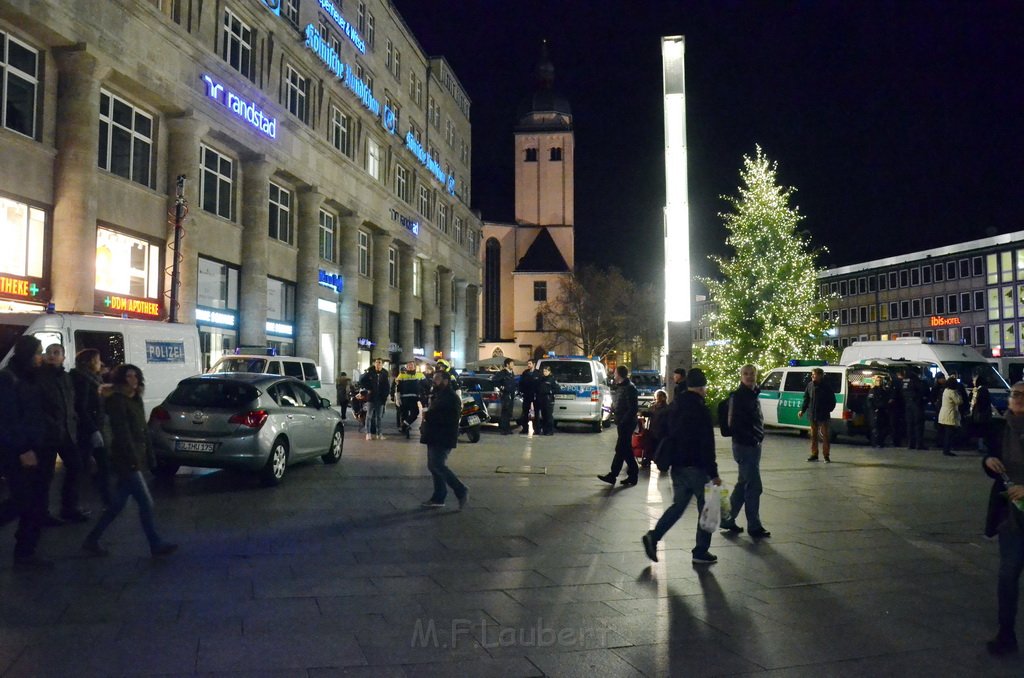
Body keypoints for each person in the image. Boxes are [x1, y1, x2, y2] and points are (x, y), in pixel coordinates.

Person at [82, 364, 176, 558]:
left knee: (117, 504)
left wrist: (149, 456)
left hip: (136, 456)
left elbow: (143, 431)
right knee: (146, 502)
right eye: (128, 376)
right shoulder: (117, 401)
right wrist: (133, 460)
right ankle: (155, 543)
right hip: (125, 459)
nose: (132, 380)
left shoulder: (135, 400)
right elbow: (122, 433)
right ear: (121, 379)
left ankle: (91, 540)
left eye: (135, 376)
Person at [641, 367, 722, 564]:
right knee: (707, 508)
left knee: (678, 506)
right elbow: (706, 443)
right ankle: (701, 550)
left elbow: (662, 429)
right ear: (702, 387)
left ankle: (654, 535)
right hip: (697, 466)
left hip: (677, 466)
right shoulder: (701, 410)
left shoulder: (675, 406)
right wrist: (714, 472)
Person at [0, 335, 54, 570]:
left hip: (38, 446)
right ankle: (25, 551)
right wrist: (23, 448)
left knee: (35, 501)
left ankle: (26, 551)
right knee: (23, 500)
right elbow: (8, 418)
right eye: (38, 352)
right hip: (18, 450)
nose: (40, 356)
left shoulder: (32, 377)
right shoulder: (8, 378)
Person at [981, 381, 1024, 655]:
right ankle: (1005, 634)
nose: (1017, 398)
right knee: (1007, 576)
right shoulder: (1002, 427)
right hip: (1011, 517)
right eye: (1015, 394)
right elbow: (991, 457)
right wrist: (988, 462)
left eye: (1022, 395)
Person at [720, 364, 770, 538]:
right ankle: (754, 526)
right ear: (741, 376)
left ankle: (727, 519)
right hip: (744, 446)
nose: (749, 376)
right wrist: (751, 438)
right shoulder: (739, 396)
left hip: (753, 445)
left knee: (743, 484)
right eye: (746, 374)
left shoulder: (753, 393)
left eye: (752, 374)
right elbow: (734, 423)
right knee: (754, 486)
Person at [38, 343, 86, 523]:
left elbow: (70, 403)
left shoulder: (65, 378)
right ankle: (42, 513)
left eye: (56, 352)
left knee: (76, 467)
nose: (52, 355)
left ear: (63, 357)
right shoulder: (40, 377)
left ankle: (69, 508)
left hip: (66, 432)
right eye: (49, 352)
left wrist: (73, 421)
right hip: (49, 435)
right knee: (45, 475)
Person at [419, 369, 468, 510]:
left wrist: (429, 416)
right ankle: (439, 497)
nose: (434, 381)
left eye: (437, 379)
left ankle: (460, 490)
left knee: (438, 465)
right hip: (434, 435)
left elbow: (452, 418)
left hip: (443, 436)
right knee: (433, 466)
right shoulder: (438, 395)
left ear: (446, 381)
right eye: (434, 379)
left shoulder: (451, 397)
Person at [70, 349, 112, 508]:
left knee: (100, 466)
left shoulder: (93, 378)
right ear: (89, 362)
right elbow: (81, 407)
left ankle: (107, 499)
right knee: (81, 468)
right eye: (97, 360)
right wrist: (93, 430)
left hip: (94, 427)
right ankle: (71, 505)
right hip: (87, 429)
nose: (100, 363)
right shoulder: (83, 380)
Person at [599, 365, 640, 486]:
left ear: (620, 375)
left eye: (615, 373)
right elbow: (620, 403)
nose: (614, 375)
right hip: (622, 422)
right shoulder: (621, 387)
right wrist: (612, 409)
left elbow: (633, 408)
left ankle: (614, 475)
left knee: (620, 448)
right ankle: (632, 474)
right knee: (625, 449)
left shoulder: (629, 388)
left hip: (626, 423)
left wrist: (623, 420)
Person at [798, 368, 836, 463]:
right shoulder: (810, 385)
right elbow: (806, 398)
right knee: (813, 435)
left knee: (825, 436)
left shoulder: (826, 386)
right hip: (812, 414)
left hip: (823, 415)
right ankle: (814, 454)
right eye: (812, 374)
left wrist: (827, 410)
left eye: (814, 374)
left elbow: (832, 401)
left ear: (820, 375)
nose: (812, 376)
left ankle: (826, 456)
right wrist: (802, 410)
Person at [392, 361, 426, 438]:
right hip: (404, 398)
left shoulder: (420, 375)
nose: (410, 367)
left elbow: (426, 385)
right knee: (404, 414)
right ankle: (405, 428)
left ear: (415, 367)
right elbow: (398, 387)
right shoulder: (402, 375)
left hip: (414, 398)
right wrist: (397, 398)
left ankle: (404, 425)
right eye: (409, 366)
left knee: (415, 413)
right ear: (407, 367)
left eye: (412, 365)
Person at [359, 358, 390, 440]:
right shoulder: (370, 371)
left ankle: (379, 433)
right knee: (369, 416)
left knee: (379, 417)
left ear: (382, 364)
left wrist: (386, 395)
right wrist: (369, 388)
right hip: (371, 397)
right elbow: (362, 380)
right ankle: (368, 433)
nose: (377, 364)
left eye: (379, 363)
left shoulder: (385, 373)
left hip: (380, 398)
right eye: (376, 362)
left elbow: (387, 385)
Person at [903, 369, 929, 450]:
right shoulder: (916, 380)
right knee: (918, 425)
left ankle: (910, 444)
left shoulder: (904, 381)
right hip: (916, 405)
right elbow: (922, 391)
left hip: (908, 404)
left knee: (910, 425)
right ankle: (919, 444)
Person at [643, 389, 670, 468]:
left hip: (661, 431)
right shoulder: (654, 407)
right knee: (650, 445)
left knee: (659, 447)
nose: (657, 398)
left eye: (659, 396)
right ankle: (649, 459)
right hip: (653, 430)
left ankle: (658, 461)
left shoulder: (666, 408)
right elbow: (648, 413)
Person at [938, 376, 963, 457]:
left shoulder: (945, 390)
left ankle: (945, 449)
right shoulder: (952, 392)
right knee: (949, 433)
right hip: (950, 414)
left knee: (946, 433)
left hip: (944, 413)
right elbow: (959, 401)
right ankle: (947, 450)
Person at [491, 358, 517, 435]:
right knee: (505, 412)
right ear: (507, 365)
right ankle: (503, 429)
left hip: (511, 395)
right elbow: (494, 380)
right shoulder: (502, 373)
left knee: (509, 412)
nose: (513, 365)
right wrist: (501, 387)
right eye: (511, 364)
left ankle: (508, 428)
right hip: (505, 395)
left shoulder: (511, 373)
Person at [865, 375, 892, 449]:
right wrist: (874, 409)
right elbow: (869, 402)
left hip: (883, 412)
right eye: (877, 381)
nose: (879, 382)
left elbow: (886, 400)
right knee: (875, 429)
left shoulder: (884, 391)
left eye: (880, 381)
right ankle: (875, 443)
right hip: (875, 413)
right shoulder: (873, 390)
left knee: (883, 428)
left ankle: (881, 442)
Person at [971, 373, 994, 454]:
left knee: (982, 430)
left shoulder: (981, 390)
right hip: (983, 414)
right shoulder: (983, 389)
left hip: (982, 415)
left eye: (974, 380)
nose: (973, 382)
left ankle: (982, 447)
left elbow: (980, 403)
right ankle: (981, 446)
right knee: (983, 430)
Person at [535, 364, 558, 436]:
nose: (544, 372)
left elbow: (557, 389)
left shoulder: (552, 379)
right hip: (542, 399)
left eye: (546, 371)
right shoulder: (541, 379)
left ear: (549, 371)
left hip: (549, 399)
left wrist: (551, 392)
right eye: (544, 371)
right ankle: (544, 430)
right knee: (544, 415)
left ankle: (550, 431)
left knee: (549, 415)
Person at [518, 359, 540, 434]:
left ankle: (536, 429)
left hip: (535, 395)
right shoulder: (525, 373)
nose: (528, 365)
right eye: (528, 363)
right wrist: (521, 391)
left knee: (536, 413)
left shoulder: (538, 373)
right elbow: (521, 383)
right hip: (527, 395)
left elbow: (540, 384)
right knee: (525, 413)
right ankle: (525, 429)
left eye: (530, 364)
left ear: (534, 364)